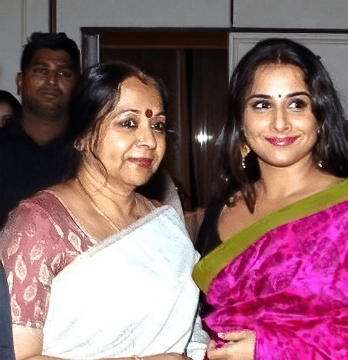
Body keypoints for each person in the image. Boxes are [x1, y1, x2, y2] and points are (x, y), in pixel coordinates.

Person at [193, 38, 348, 359]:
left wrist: (274, 349)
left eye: (297, 103)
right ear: (240, 120)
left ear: (321, 115)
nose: (280, 121)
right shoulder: (224, 206)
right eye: (262, 104)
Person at [0, 62, 208, 360]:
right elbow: (18, 356)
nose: (149, 140)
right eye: (128, 123)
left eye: (158, 125)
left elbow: (190, 330)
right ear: (83, 134)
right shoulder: (39, 224)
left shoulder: (162, 219)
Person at [0, 32, 79, 228]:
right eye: (41, 70)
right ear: (20, 82)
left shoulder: (90, 152)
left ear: (77, 87)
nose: (52, 80)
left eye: (64, 73)